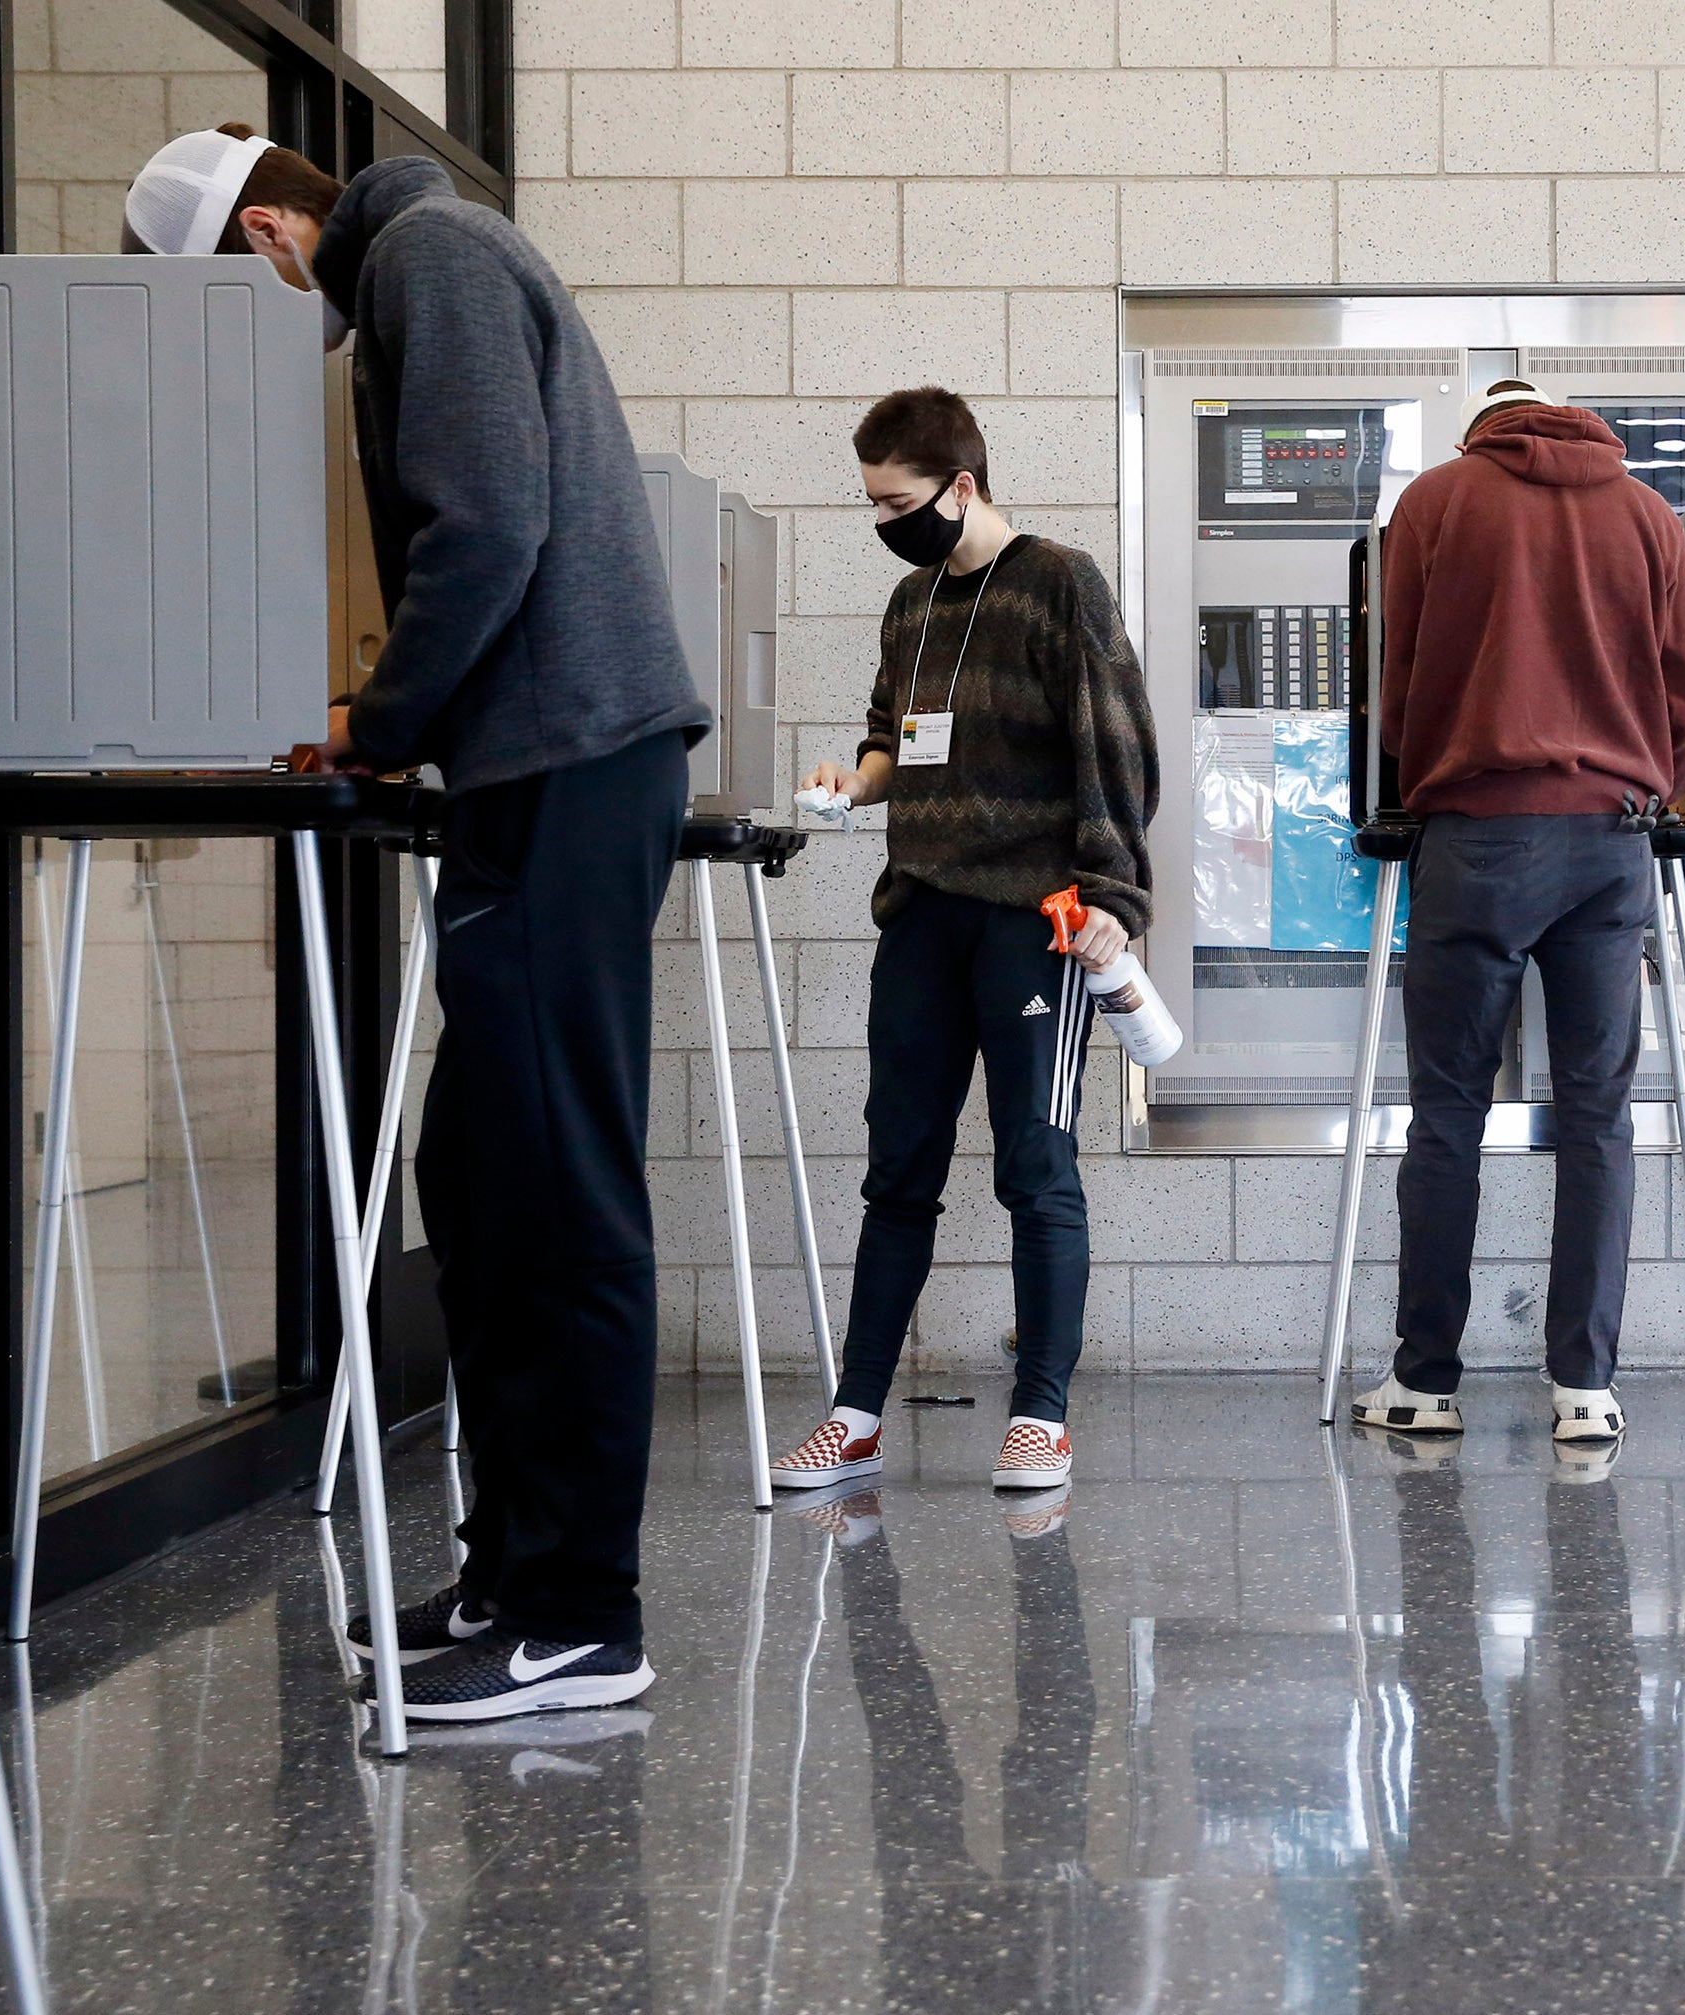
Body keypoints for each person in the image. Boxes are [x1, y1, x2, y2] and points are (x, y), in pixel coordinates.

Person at [127, 126, 708, 1721]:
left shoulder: (429, 261)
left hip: (570, 764)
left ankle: (587, 1613)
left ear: (268, 237)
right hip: (542, 761)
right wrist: (388, 717)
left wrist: (382, 720)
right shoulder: (429, 257)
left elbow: (491, 527)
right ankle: (518, 1573)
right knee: (482, 1173)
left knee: (561, 1184)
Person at [780, 388, 1158, 1498]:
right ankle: (854, 1414)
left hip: (1035, 920)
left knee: (1036, 1171)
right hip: (923, 910)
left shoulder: (1060, 581)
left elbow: (1118, 750)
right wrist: (853, 783)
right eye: (871, 505)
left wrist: (1113, 899)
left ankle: (1041, 1414)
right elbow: (892, 731)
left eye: (899, 501)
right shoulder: (909, 602)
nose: (887, 522)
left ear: (962, 485)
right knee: (898, 1168)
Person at [1346, 379, 1685, 1447]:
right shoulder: (1650, 514)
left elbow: (1401, 675)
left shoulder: (1437, 502)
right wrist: (1658, 782)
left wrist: (1426, 779)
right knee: (1599, 1116)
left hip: (1478, 834)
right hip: (1611, 845)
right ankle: (1585, 1388)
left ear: (1481, 430)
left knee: (1448, 1113)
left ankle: (1425, 1381)